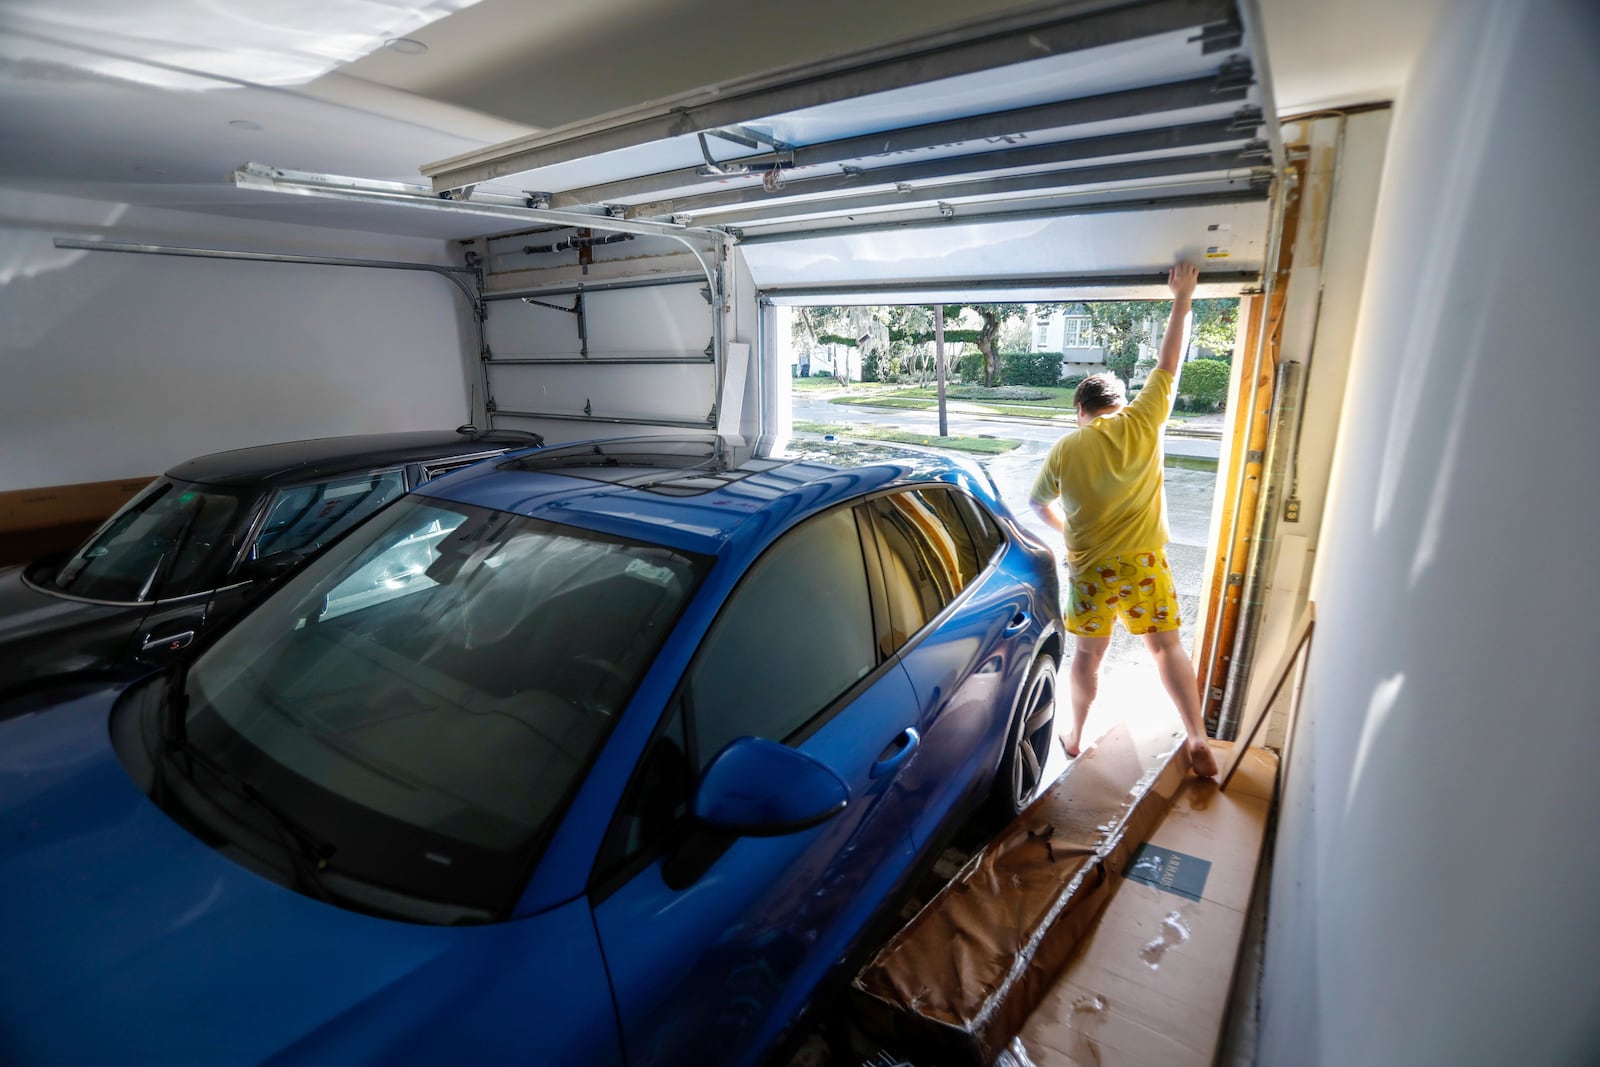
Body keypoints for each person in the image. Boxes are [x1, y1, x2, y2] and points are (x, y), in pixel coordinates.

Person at [1028, 262, 1220, 778]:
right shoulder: (1144, 420)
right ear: (1117, 403)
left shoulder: (1066, 449)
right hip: (1143, 562)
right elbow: (1170, 361)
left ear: (1080, 410)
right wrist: (1182, 297)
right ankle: (1198, 736)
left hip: (1090, 570)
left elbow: (1036, 503)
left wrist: (1066, 531)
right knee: (1165, 648)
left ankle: (1073, 736)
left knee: (1088, 658)